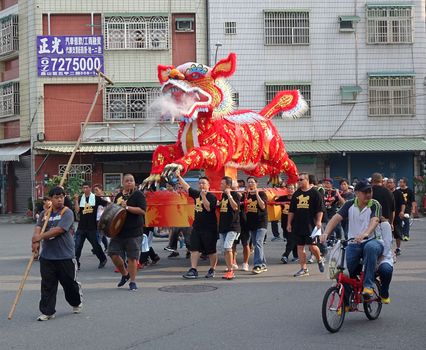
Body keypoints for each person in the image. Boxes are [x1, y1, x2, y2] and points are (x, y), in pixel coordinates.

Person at [320, 180, 384, 298]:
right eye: (365, 192)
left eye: (370, 191)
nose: (368, 194)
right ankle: (347, 301)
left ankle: (368, 285)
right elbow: (336, 218)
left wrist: (366, 233)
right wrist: (326, 233)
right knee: (343, 269)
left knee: (370, 248)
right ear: (357, 193)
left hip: (373, 240)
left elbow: (374, 220)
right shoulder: (349, 204)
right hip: (354, 243)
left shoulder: (375, 204)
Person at [31, 186, 82, 321]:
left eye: (62, 197)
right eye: (56, 197)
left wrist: (40, 237)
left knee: (69, 284)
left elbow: (59, 229)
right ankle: (48, 311)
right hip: (47, 256)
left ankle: (76, 302)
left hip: (65, 255)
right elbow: (38, 228)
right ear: (51, 199)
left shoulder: (67, 212)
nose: (60, 200)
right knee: (47, 285)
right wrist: (35, 242)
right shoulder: (44, 214)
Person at [176, 171, 218, 279]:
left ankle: (212, 269)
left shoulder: (212, 197)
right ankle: (193, 269)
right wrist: (179, 176)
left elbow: (208, 208)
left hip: (209, 228)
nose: (201, 185)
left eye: (203, 183)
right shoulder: (196, 194)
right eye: (199, 183)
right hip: (197, 227)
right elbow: (186, 187)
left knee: (211, 251)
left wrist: (203, 196)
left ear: (208, 185)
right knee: (194, 249)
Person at [108, 174, 146, 291]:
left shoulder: (138, 194)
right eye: (127, 181)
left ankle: (132, 282)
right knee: (113, 254)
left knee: (132, 258)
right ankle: (125, 274)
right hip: (118, 231)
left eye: (131, 181)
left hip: (134, 231)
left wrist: (127, 207)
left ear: (134, 183)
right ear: (123, 182)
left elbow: (142, 211)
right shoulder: (119, 195)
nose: (129, 182)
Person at [287, 172, 325, 277]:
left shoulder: (315, 193)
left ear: (307, 180)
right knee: (300, 247)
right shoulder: (296, 194)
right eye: (298, 180)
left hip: (311, 225)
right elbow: (291, 211)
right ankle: (303, 269)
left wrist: (318, 221)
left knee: (312, 247)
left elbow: (320, 209)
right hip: (298, 225)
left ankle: (319, 259)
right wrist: (289, 223)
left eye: (301, 179)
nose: (298, 181)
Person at [73, 182, 108, 270]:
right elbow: (77, 211)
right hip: (81, 227)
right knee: (77, 246)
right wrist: (76, 200)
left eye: (86, 187)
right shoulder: (80, 198)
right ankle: (77, 263)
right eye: (83, 188)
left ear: (90, 188)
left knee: (96, 246)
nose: (85, 189)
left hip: (92, 227)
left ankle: (103, 259)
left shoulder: (96, 198)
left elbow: (107, 204)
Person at [218, 176, 241, 279]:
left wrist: (229, 195)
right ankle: (229, 268)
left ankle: (231, 271)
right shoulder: (223, 195)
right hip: (223, 226)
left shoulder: (235, 194)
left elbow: (235, 207)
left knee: (228, 247)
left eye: (222, 184)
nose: (220, 185)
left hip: (233, 226)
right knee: (225, 249)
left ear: (228, 185)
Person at [246, 177, 268, 274]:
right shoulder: (246, 195)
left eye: (252, 182)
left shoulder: (262, 193)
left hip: (261, 222)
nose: (250, 184)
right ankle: (263, 264)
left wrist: (257, 194)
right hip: (251, 223)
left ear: (256, 183)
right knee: (256, 244)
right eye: (249, 182)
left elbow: (262, 206)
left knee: (259, 242)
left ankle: (257, 265)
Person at [276, 183, 298, 264]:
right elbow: (273, 202)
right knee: (291, 238)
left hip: (295, 221)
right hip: (284, 221)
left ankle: (285, 255)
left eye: (292, 188)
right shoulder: (282, 198)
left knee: (291, 238)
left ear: (295, 189)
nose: (290, 190)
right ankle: (296, 256)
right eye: (288, 188)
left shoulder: (297, 198)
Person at [232, 179, 250, 271]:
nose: (236, 187)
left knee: (245, 243)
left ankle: (245, 263)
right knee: (233, 244)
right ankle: (233, 262)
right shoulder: (229, 194)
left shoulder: (243, 193)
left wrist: (241, 192)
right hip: (234, 223)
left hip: (243, 222)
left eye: (238, 186)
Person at [386, 178, 405, 256]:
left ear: (394, 184)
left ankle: (398, 248)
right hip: (387, 216)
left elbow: (403, 204)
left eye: (391, 182)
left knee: (397, 233)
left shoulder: (399, 193)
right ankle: (388, 248)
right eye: (388, 182)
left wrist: (402, 211)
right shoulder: (385, 193)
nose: (389, 184)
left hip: (397, 216)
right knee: (387, 233)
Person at [377, 220, 393, 304]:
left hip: (382, 258)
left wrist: (377, 261)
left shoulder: (384, 225)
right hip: (363, 258)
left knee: (386, 270)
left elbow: (387, 245)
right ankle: (346, 303)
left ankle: (384, 292)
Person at [93, 183, 110, 252]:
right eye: (94, 190)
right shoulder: (94, 198)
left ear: (101, 190)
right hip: (96, 218)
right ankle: (107, 247)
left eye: (97, 190)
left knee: (99, 234)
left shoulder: (105, 198)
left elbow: (109, 207)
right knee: (101, 234)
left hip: (103, 218)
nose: (95, 192)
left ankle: (97, 248)